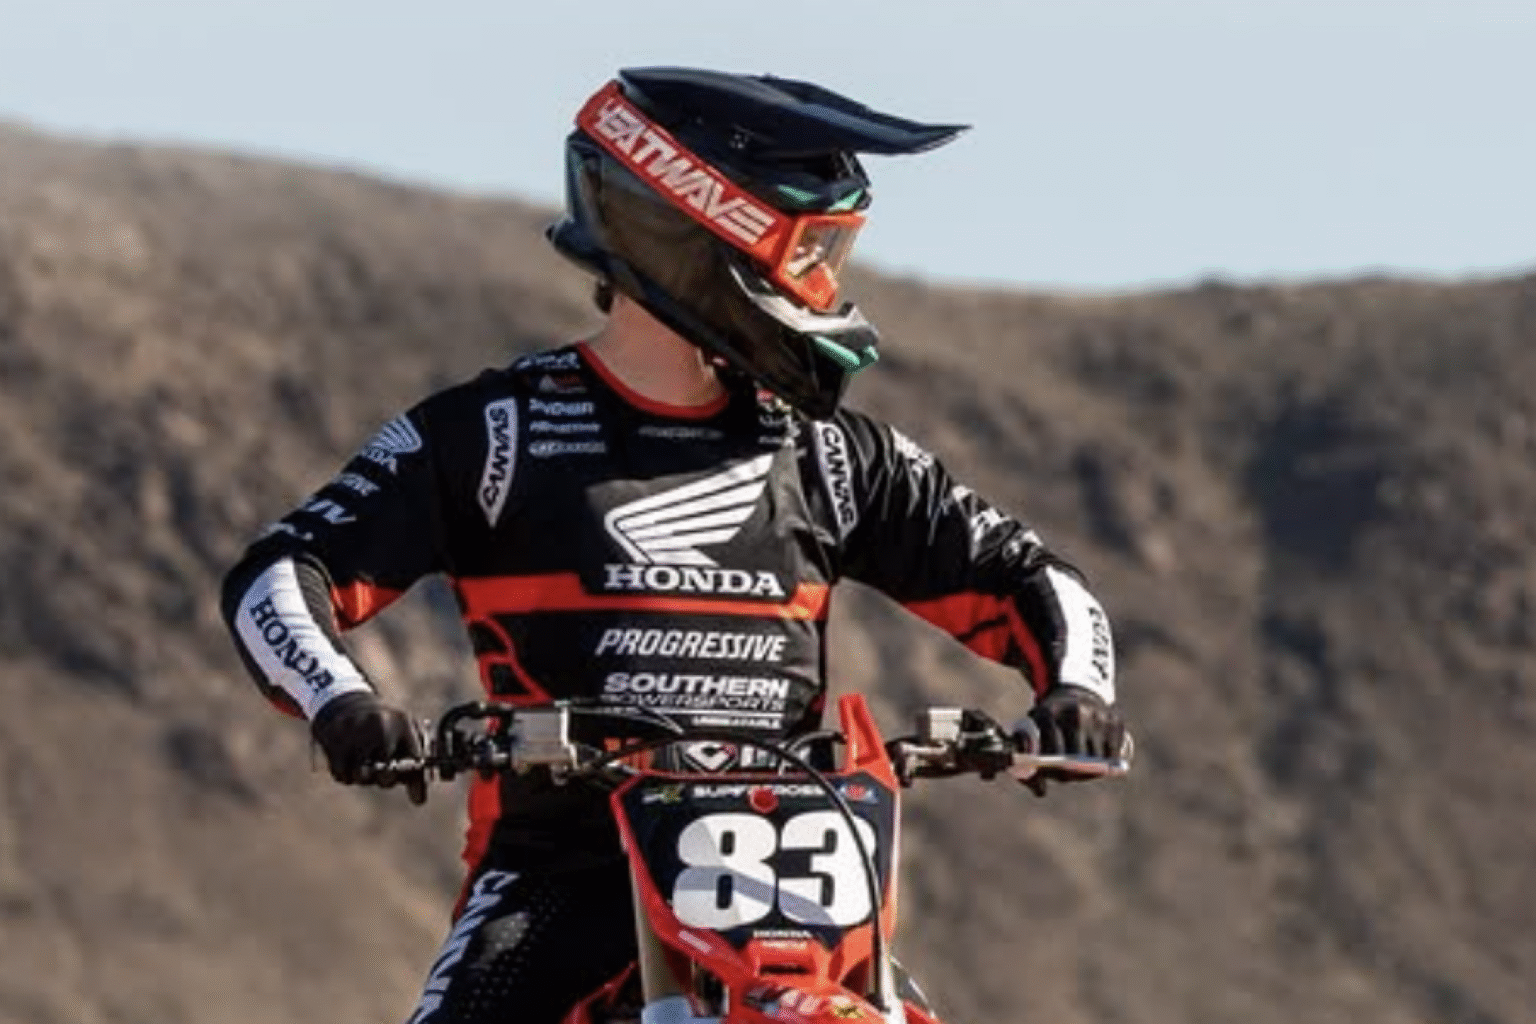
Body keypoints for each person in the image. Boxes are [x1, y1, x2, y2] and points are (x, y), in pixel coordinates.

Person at [221, 66, 1127, 1024]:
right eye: (810, 252)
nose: (825, 286)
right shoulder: (498, 432)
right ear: (701, 234)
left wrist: (1076, 693)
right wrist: (343, 704)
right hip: (565, 871)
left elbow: (1026, 574)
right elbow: (280, 572)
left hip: (795, 880)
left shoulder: (828, 453)